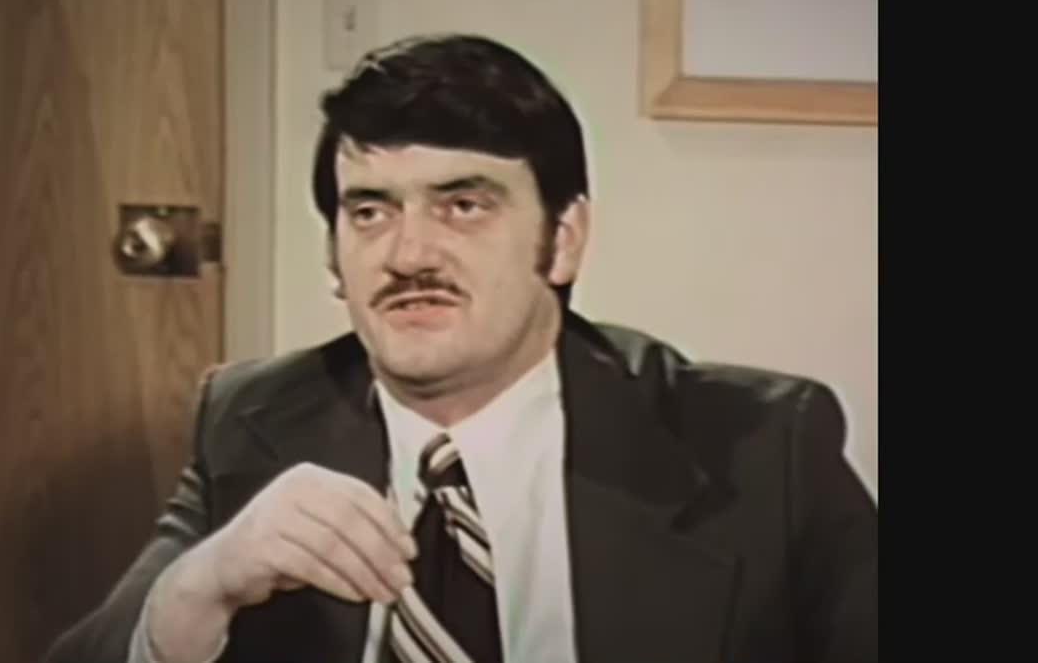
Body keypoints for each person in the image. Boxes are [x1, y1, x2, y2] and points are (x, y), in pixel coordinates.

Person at [44, 33, 878, 663]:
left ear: (562, 240)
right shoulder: (253, 422)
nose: (408, 254)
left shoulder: (758, 448)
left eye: (463, 206)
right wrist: (202, 584)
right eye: (370, 212)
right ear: (334, 255)